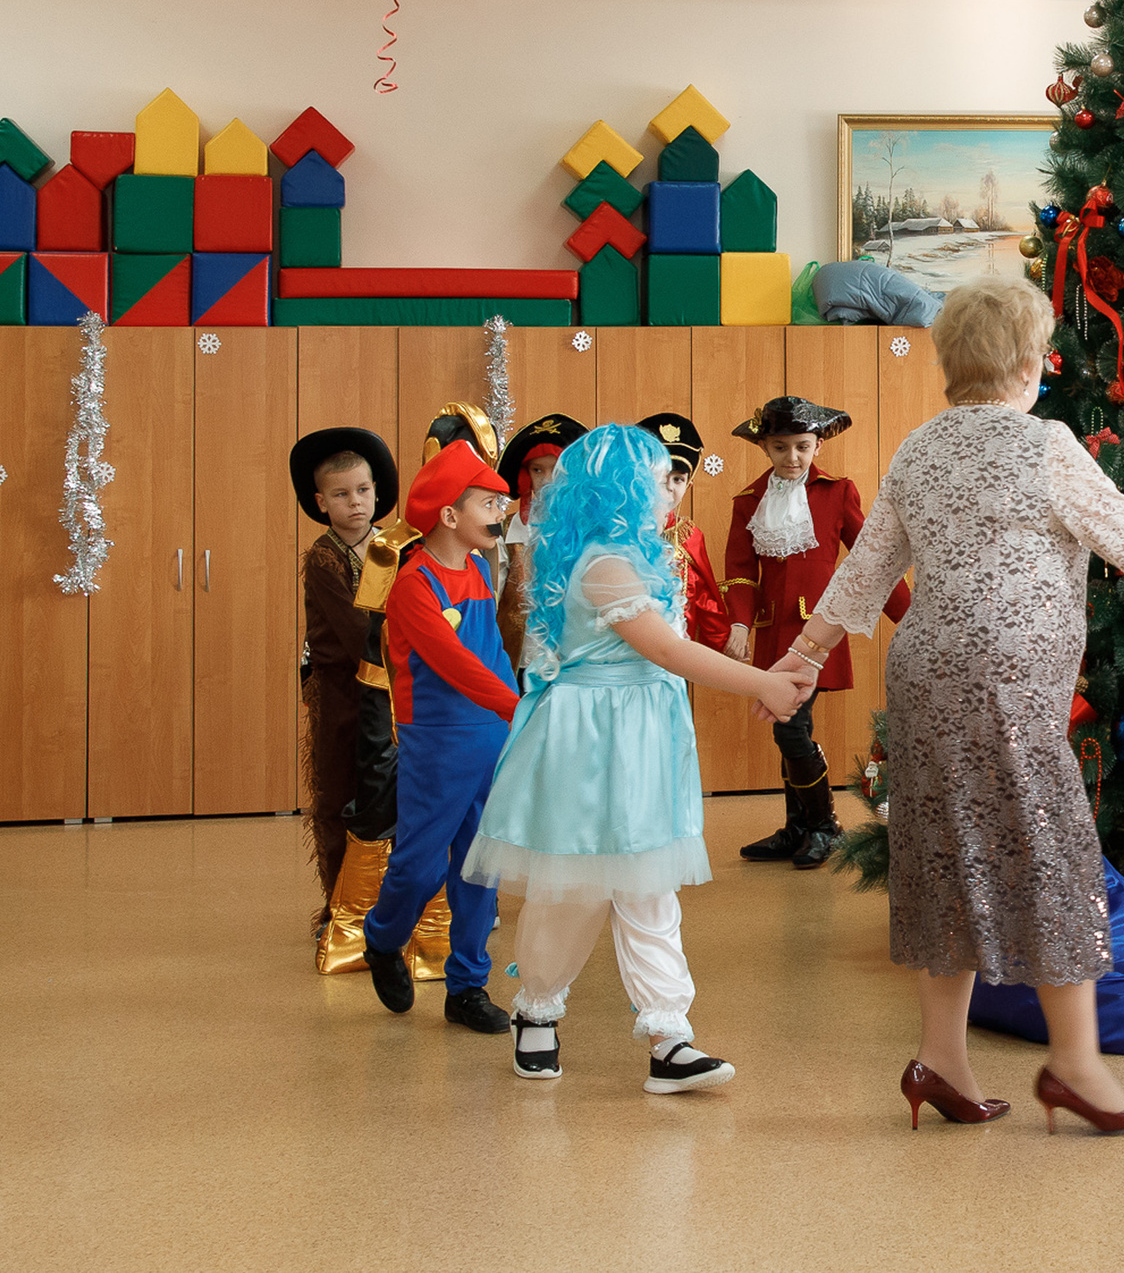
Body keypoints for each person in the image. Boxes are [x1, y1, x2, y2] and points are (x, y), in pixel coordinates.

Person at [774, 276, 1124, 1135]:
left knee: (946, 855)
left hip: (925, 675)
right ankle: (1075, 1065)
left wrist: (804, 654)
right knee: (1053, 855)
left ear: (950, 363)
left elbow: (868, 566)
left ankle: (941, 1059)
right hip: (1007, 685)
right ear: (1031, 365)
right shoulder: (1046, 445)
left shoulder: (919, 448)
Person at [462, 425, 816, 1095]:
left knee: (649, 884)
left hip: (641, 736)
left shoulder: (639, 557)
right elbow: (667, 650)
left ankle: (668, 1036)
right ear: (618, 490)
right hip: (593, 740)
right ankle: (536, 1010)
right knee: (574, 886)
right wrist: (763, 683)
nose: (669, 493)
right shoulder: (604, 565)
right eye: (657, 482)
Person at [359, 441, 520, 1035]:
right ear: (449, 515)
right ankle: (383, 938)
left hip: (490, 737)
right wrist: (519, 708)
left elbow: (492, 652)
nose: (500, 513)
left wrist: (515, 716)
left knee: (481, 868)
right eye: (488, 503)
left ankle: (467, 987)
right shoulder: (413, 585)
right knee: (421, 868)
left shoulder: (477, 569)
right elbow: (453, 663)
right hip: (437, 743)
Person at [724, 395, 911, 870]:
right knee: (787, 728)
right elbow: (740, 570)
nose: (792, 457)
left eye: (802, 446)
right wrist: (739, 622)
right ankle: (800, 828)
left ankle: (824, 825)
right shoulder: (747, 501)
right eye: (780, 447)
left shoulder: (838, 492)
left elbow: (871, 564)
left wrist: (911, 620)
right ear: (764, 447)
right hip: (772, 632)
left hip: (817, 633)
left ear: (817, 445)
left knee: (791, 728)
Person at [292, 425, 403, 972]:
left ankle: (386, 902)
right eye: (341, 494)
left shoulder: (397, 546)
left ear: (377, 491)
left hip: (392, 690)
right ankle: (339, 907)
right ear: (321, 503)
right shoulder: (324, 558)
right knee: (339, 793)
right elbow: (357, 626)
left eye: (362, 490)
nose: (354, 502)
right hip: (341, 692)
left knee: (388, 793)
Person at [495, 413, 589, 671]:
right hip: (520, 659)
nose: (547, 480)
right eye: (538, 470)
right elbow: (492, 595)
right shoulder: (506, 532)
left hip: (576, 660)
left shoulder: (590, 531)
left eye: (556, 470)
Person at [636, 412, 733, 648]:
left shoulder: (689, 536)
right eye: (661, 477)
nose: (669, 487)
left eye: (678, 479)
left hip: (677, 648)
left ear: (689, 485)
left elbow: (705, 597)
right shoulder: (618, 530)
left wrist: (720, 640)